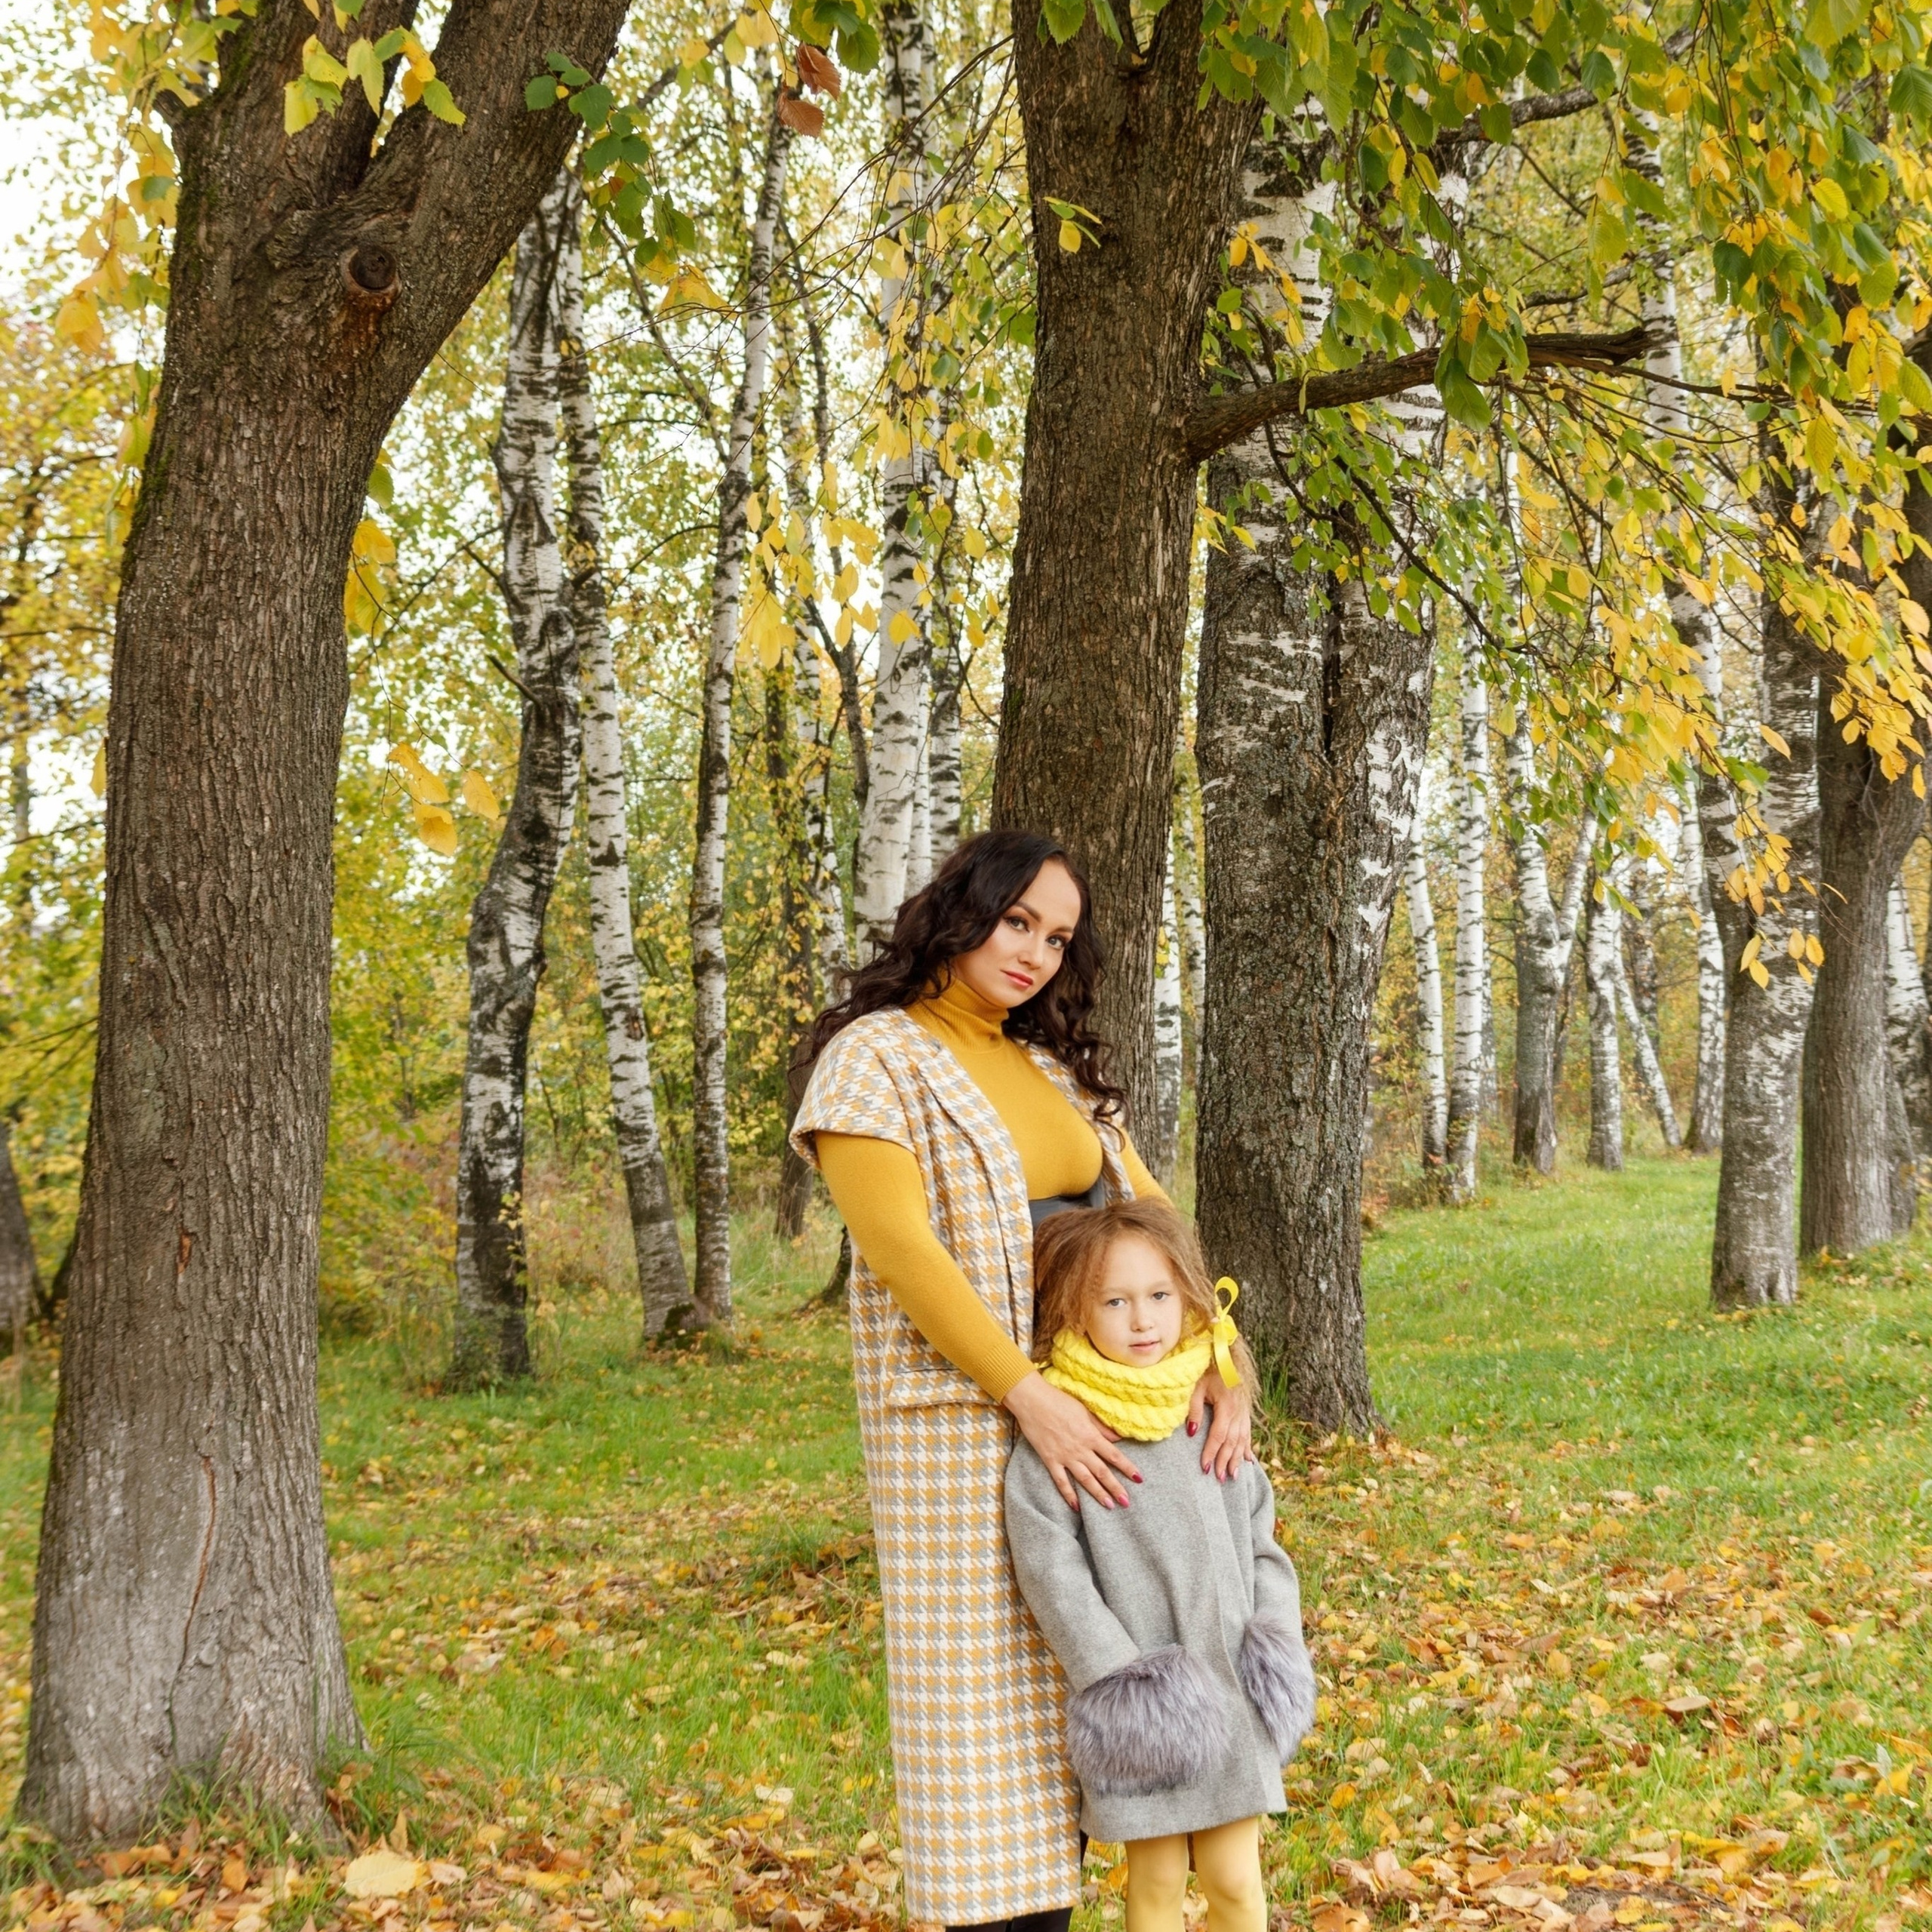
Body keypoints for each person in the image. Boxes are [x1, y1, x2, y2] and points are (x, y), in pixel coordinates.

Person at [788, 829, 1253, 1932]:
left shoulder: (1054, 1073)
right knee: (989, 1736)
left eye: (1057, 936)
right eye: (1017, 922)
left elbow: (1157, 1234)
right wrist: (1023, 1392)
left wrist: (1225, 1364)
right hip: (966, 1426)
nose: (1036, 951)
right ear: (961, 914)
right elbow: (902, 1252)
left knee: (1124, 1688)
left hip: (1116, 1434)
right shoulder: (876, 1056)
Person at [1004, 1200, 1316, 1932]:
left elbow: (1262, 1539)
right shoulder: (1064, 1432)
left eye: (1158, 1297)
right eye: (1113, 1301)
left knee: (1236, 1880)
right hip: (1142, 1702)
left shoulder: (1207, 1409)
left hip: (1231, 1686)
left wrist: (1272, 1634)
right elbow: (1051, 1571)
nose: (1142, 1320)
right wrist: (1120, 1678)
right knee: (1154, 1880)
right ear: (1075, 1313)